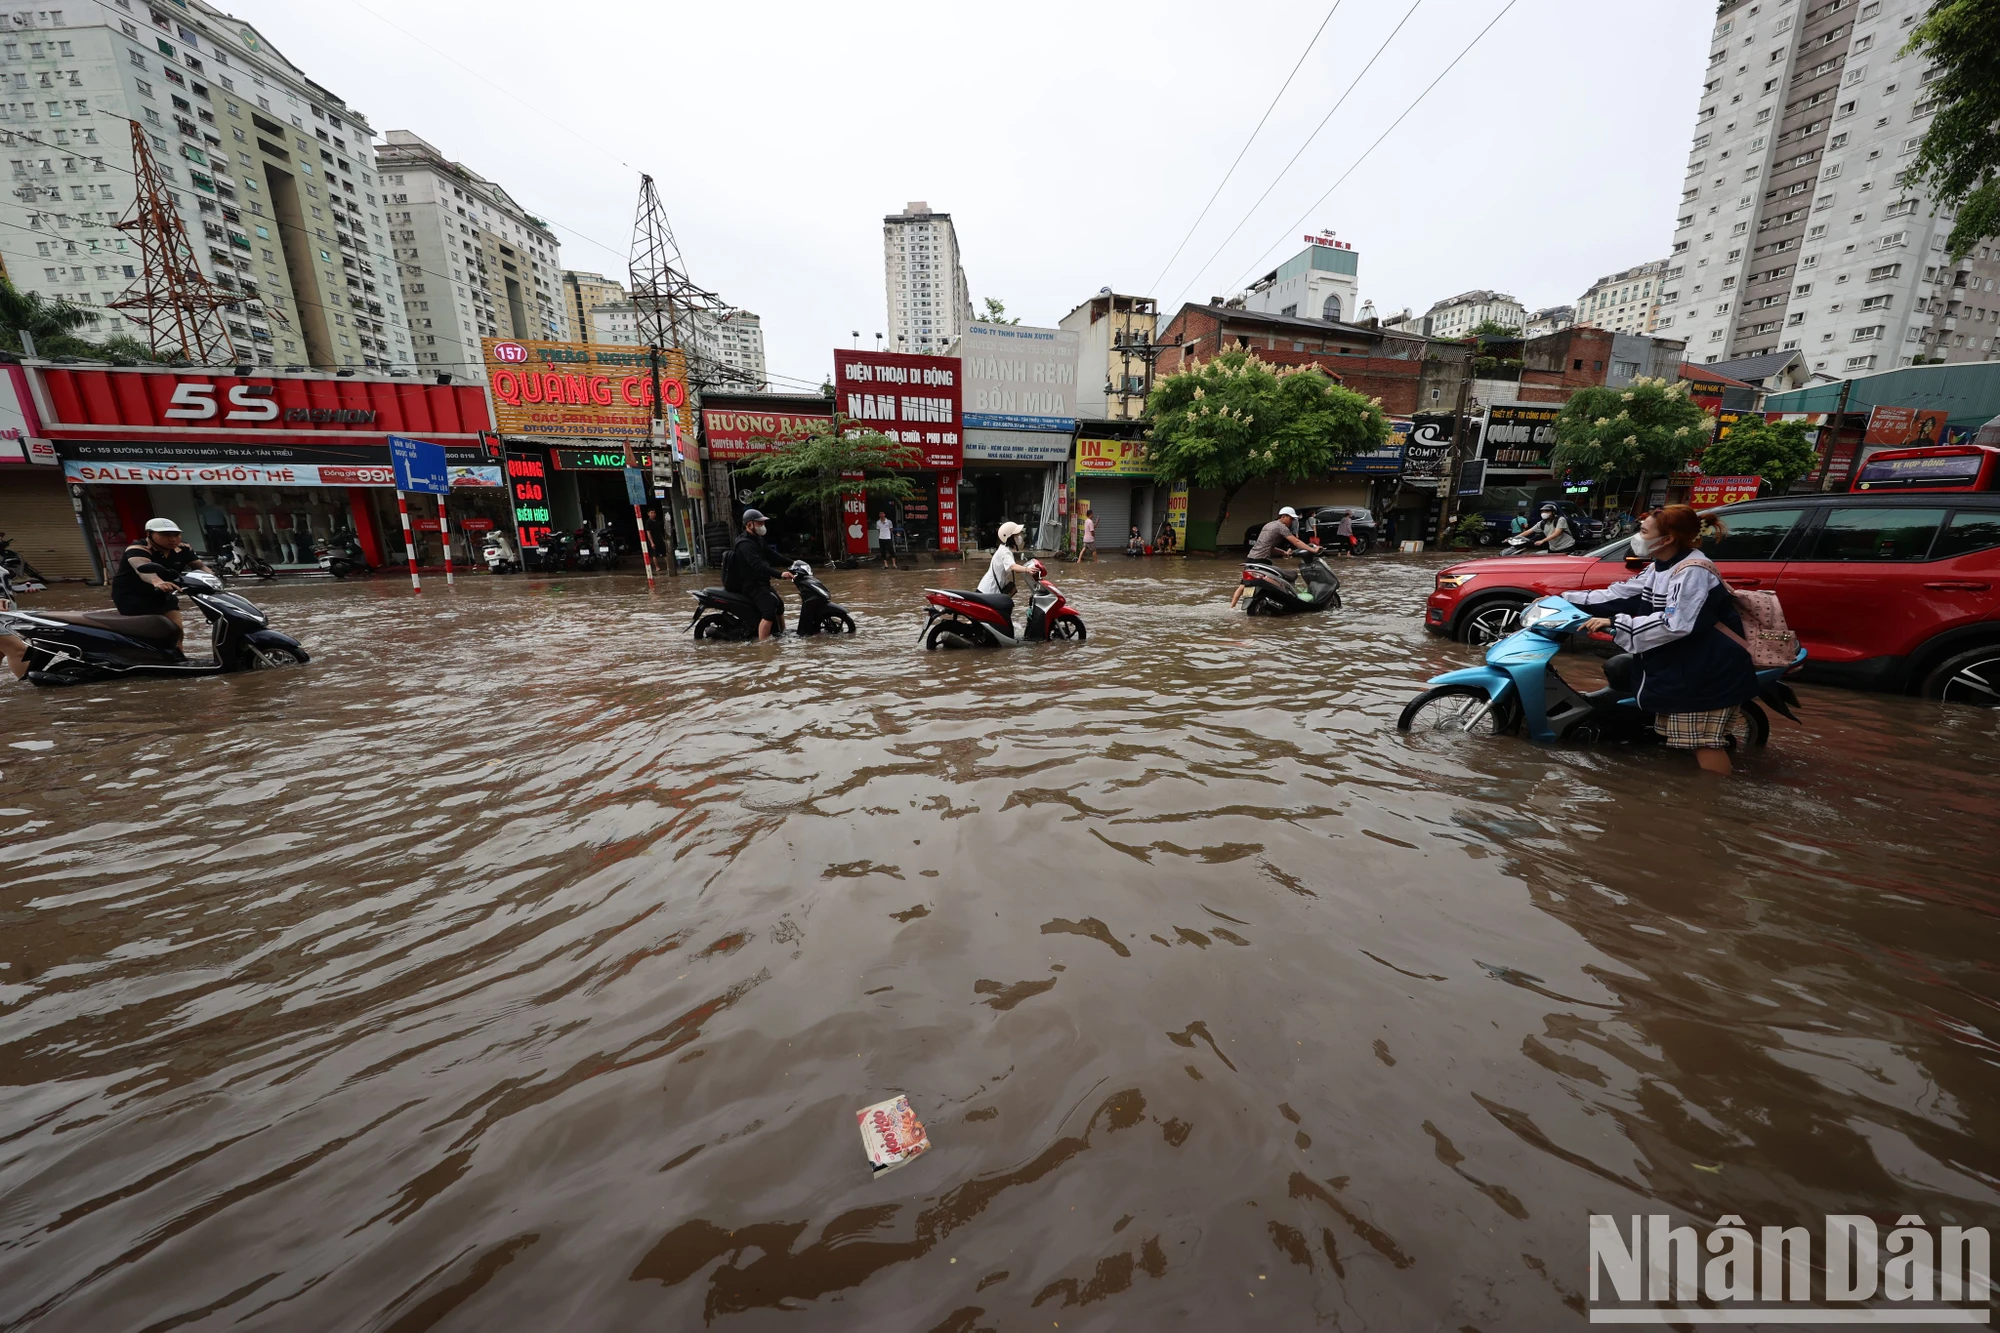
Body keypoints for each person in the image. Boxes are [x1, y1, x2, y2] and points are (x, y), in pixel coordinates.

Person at [1563, 504, 1758, 776]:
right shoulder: (1661, 566)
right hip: (1681, 665)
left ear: (1667, 539)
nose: (1637, 537)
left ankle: (1715, 803)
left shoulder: (1692, 571)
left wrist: (1616, 622)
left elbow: (1676, 623)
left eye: (1643, 531)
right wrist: (1563, 600)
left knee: (1704, 743)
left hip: (1706, 669)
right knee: (1688, 739)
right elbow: (1620, 593)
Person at [112, 518, 209, 644]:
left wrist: (212, 579)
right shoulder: (137, 548)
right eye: (165, 535)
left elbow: (200, 566)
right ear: (149, 534)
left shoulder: (183, 548)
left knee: (176, 632)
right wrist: (157, 581)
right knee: (147, 635)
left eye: (176, 535)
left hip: (164, 593)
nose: (173, 539)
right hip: (133, 596)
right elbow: (142, 569)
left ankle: (179, 659)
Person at [1232, 507, 1320, 608]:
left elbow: (1266, 545)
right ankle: (1287, 603)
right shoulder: (1281, 527)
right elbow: (1296, 541)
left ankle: (1232, 607)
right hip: (1262, 560)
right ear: (1283, 516)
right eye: (1290, 519)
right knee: (1280, 580)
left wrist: (1282, 552)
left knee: (1243, 585)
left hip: (1251, 558)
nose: (1291, 522)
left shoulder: (1268, 525)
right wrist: (1313, 549)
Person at [726, 509, 793, 640]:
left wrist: (794, 562)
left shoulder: (758, 540)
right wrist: (780, 574)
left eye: (762, 523)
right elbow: (758, 566)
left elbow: (773, 555)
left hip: (762, 583)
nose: (762, 526)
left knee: (779, 606)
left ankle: (781, 633)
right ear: (749, 525)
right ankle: (764, 647)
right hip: (751, 585)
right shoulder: (744, 544)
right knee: (768, 612)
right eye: (759, 523)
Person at [978, 520, 1040, 631]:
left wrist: (1026, 568)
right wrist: (1027, 569)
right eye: (1017, 535)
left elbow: (1014, 568)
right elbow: (1012, 566)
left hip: (988, 590)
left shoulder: (1004, 550)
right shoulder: (1005, 552)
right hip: (989, 591)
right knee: (1003, 610)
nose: (1020, 537)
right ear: (1010, 537)